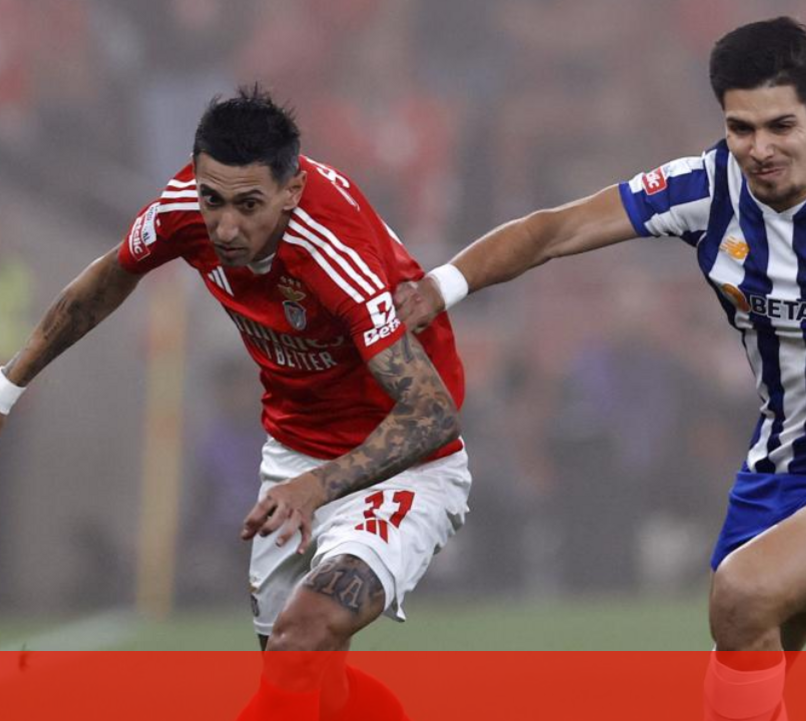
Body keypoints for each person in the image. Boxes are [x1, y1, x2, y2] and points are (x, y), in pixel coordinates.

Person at [397, 17, 806, 720]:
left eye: (781, 126)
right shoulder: (704, 189)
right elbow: (553, 230)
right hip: (772, 479)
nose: (760, 149)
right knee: (743, 679)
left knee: (743, 592)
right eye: (741, 128)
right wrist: (442, 286)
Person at [0, 87, 469, 718]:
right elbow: (109, 278)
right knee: (310, 682)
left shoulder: (333, 255)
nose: (224, 227)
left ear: (291, 191)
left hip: (400, 464)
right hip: (295, 457)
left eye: (249, 206)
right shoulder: (181, 210)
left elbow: (432, 411)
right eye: (212, 200)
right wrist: (8, 386)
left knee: (303, 636)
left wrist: (319, 486)